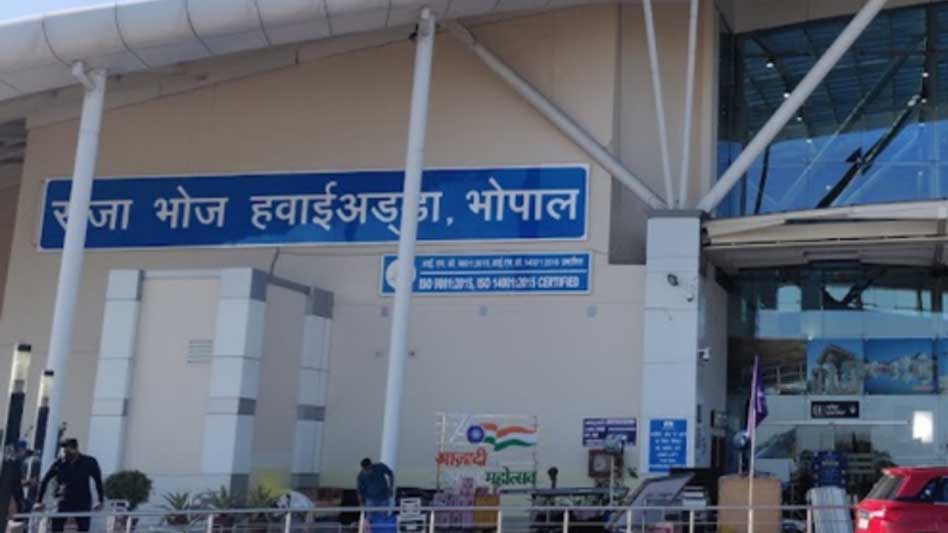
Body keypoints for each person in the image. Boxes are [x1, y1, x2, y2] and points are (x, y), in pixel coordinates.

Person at [35, 439, 104, 533]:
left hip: (82, 500)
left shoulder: (89, 462)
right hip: (63, 499)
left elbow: (98, 481)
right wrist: (39, 501)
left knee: (83, 528)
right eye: (64, 451)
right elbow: (45, 480)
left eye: (67, 450)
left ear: (75, 449)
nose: (64, 453)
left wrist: (100, 500)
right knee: (56, 526)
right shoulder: (60, 463)